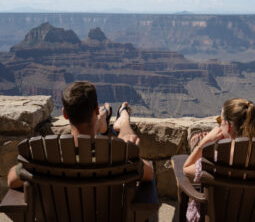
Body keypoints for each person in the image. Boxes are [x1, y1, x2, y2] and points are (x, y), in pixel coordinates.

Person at [8, 81, 153, 189]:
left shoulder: (45, 154)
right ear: (95, 109)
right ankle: (120, 117)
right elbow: (149, 173)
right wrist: (125, 123)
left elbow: (11, 180)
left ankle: (104, 119)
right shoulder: (115, 154)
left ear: (64, 114)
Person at [183, 98, 255, 222]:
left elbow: (186, 169)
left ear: (229, 126)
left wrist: (203, 143)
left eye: (220, 120)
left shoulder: (218, 159)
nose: (219, 124)